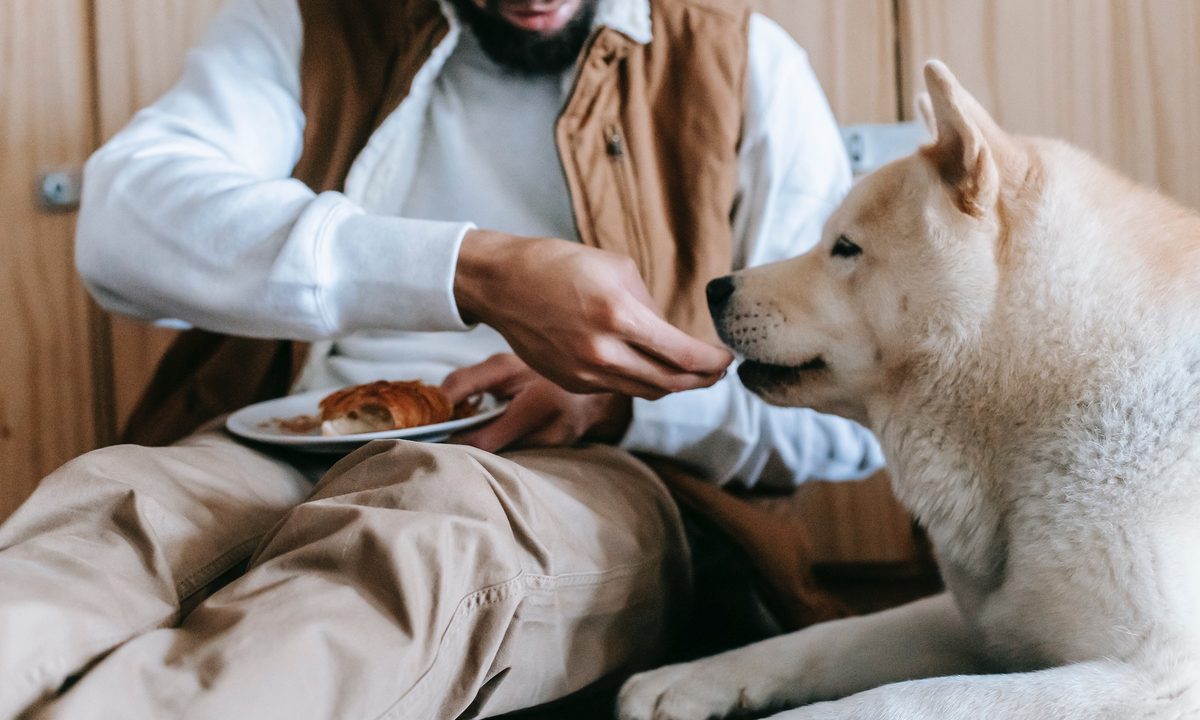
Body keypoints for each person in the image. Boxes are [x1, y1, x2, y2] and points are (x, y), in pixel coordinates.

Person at [0, 0, 883, 717]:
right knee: (115, 510)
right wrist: (471, 271)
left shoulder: (741, 63)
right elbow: (123, 222)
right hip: (294, 433)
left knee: (430, 537)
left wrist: (617, 403)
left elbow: (853, 418)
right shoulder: (307, 24)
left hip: (587, 469)